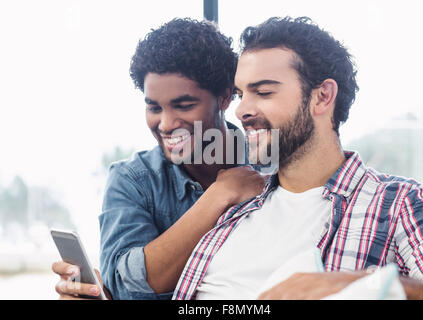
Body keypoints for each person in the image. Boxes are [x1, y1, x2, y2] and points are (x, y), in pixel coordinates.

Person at [172, 17, 423, 300]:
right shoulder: (236, 206)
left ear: (322, 97)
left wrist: (361, 284)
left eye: (264, 92)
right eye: (242, 94)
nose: (241, 110)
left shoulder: (403, 204)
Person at [51, 18, 266, 300]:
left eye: (184, 105)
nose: (165, 124)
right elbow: (127, 291)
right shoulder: (133, 180)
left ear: (225, 97)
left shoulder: (269, 165)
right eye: (154, 107)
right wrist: (220, 195)